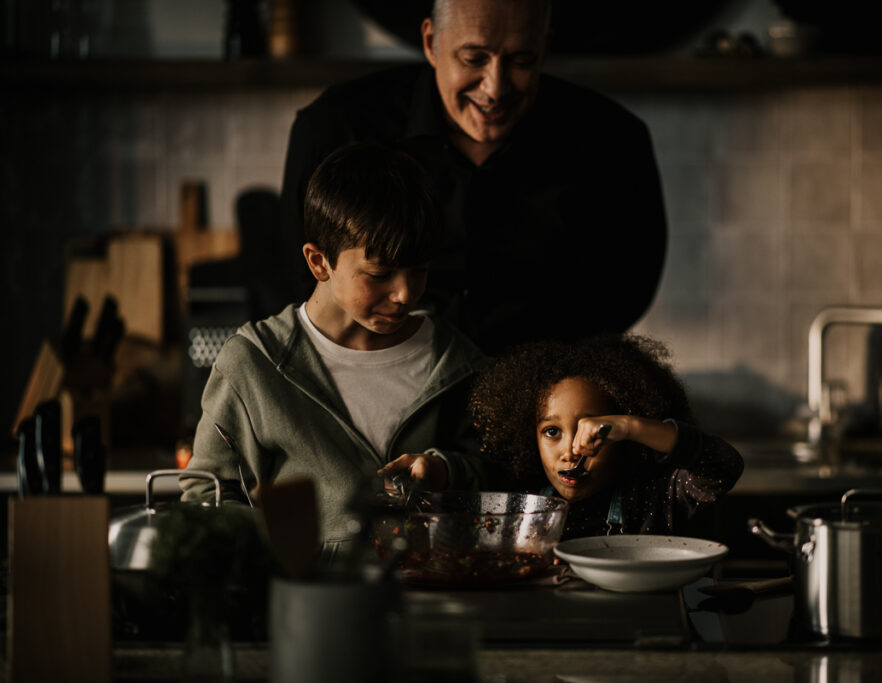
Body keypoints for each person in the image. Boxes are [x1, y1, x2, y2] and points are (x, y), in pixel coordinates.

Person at [280, 0, 667, 357]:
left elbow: (627, 290)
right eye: (473, 58)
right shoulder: (335, 127)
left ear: (544, 48)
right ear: (431, 42)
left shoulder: (614, 141)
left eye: (521, 60)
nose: (495, 87)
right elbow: (300, 282)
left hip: (544, 399)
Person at [181, 142, 490, 559]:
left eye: (419, 271)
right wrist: (277, 553)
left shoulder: (456, 360)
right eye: (379, 274)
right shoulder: (254, 365)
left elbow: (496, 473)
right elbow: (207, 494)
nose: (404, 293)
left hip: (435, 603)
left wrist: (444, 469)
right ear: (319, 262)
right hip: (309, 609)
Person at [468, 334, 744, 539]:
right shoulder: (520, 503)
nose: (571, 451)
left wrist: (632, 427)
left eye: (594, 431)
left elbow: (722, 466)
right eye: (552, 432)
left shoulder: (657, 500)